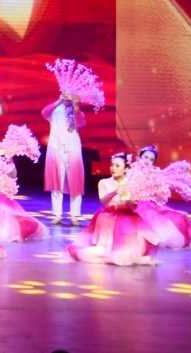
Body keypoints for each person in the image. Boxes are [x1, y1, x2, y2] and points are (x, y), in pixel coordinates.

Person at [65, 153, 161, 266]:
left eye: (117, 166)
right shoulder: (104, 182)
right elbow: (103, 200)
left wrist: (132, 201)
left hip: (126, 218)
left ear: (126, 169)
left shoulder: (131, 184)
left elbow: (133, 207)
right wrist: (115, 191)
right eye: (112, 165)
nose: (113, 168)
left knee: (128, 250)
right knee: (107, 250)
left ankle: (131, 256)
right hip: (108, 217)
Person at [133, 145, 191, 250]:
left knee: (168, 220)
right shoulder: (132, 172)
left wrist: (157, 190)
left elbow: (160, 194)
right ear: (140, 157)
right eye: (146, 157)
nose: (148, 161)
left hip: (149, 205)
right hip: (133, 204)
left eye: (151, 159)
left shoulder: (154, 175)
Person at [42, 94, 85, 225]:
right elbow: (44, 113)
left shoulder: (76, 110)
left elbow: (81, 122)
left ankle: (74, 216)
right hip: (56, 148)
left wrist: (76, 105)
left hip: (73, 149)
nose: (68, 96)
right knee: (56, 182)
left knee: (75, 182)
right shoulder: (56, 109)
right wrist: (58, 101)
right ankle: (57, 215)